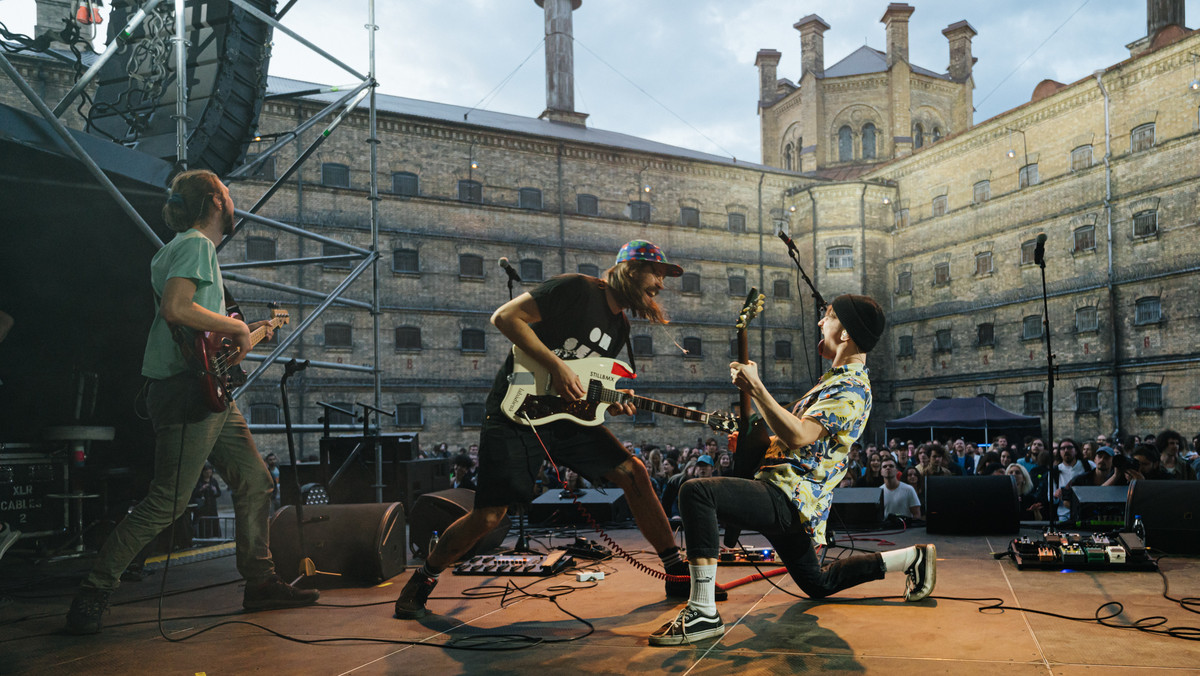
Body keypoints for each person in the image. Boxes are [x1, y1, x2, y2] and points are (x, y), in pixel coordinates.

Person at [65, 170, 318, 635]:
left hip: (203, 388)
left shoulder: (174, 248)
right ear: (217, 201)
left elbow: (193, 332)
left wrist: (238, 336)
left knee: (255, 481)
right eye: (228, 192)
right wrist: (241, 328)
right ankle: (93, 592)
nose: (233, 199)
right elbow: (177, 309)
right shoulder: (197, 245)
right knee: (167, 502)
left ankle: (260, 582)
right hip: (186, 392)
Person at [394, 240, 696, 620]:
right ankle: (424, 578)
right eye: (657, 274)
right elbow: (505, 317)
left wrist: (611, 401)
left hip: (565, 418)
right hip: (516, 411)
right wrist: (555, 365)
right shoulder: (576, 289)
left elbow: (583, 385)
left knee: (633, 473)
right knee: (489, 516)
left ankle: (676, 573)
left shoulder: (620, 328)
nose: (661, 285)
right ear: (632, 270)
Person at [648, 294, 935, 646]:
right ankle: (912, 557)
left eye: (827, 317)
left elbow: (800, 435)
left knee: (697, 492)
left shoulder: (852, 388)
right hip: (795, 504)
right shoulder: (835, 381)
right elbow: (798, 441)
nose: (819, 323)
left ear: (845, 333)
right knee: (818, 584)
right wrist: (757, 441)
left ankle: (703, 610)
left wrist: (757, 387)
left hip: (786, 497)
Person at [190, 464, 222, 539]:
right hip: (202, 506)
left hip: (211, 505)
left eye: (210, 473)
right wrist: (201, 489)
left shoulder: (213, 481)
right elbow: (194, 493)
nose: (208, 474)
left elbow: (218, 493)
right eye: (207, 473)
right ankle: (200, 535)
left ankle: (213, 535)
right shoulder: (198, 481)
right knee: (201, 521)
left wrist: (214, 491)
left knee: (212, 521)